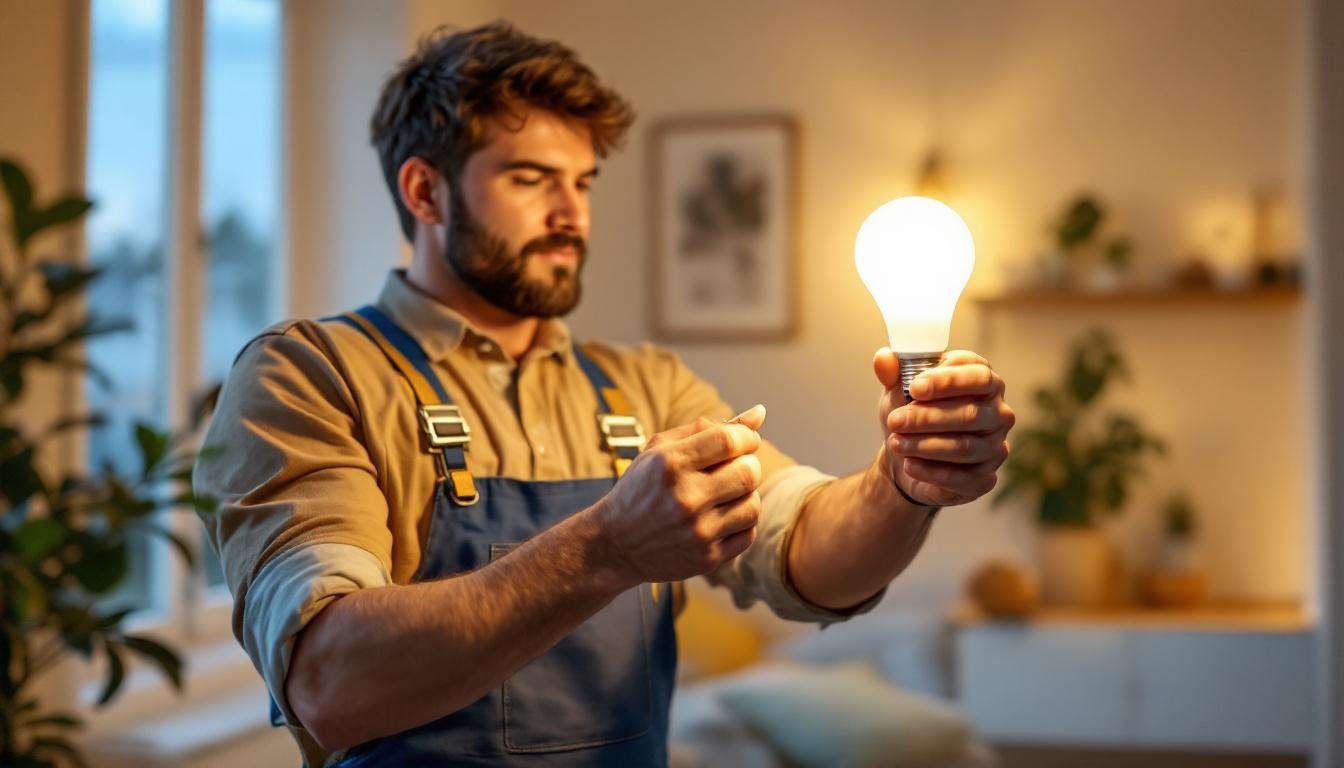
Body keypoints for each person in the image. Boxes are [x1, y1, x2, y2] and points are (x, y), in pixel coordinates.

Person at [195, 20, 1014, 768]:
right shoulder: (310, 376)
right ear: (425, 192)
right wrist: (604, 550)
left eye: (582, 183)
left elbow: (804, 554)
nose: (571, 214)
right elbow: (332, 682)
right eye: (530, 179)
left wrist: (903, 483)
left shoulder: (643, 386)